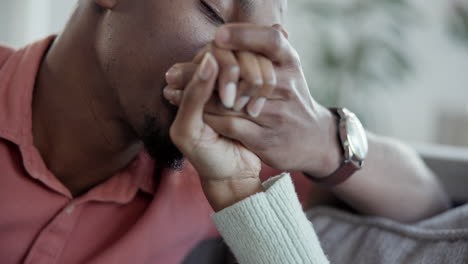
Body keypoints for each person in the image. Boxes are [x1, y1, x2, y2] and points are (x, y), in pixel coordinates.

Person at [0, 0, 449, 263]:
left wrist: (320, 135)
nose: (240, 69)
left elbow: (430, 202)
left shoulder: (220, 162)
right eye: (217, 13)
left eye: (264, 44)